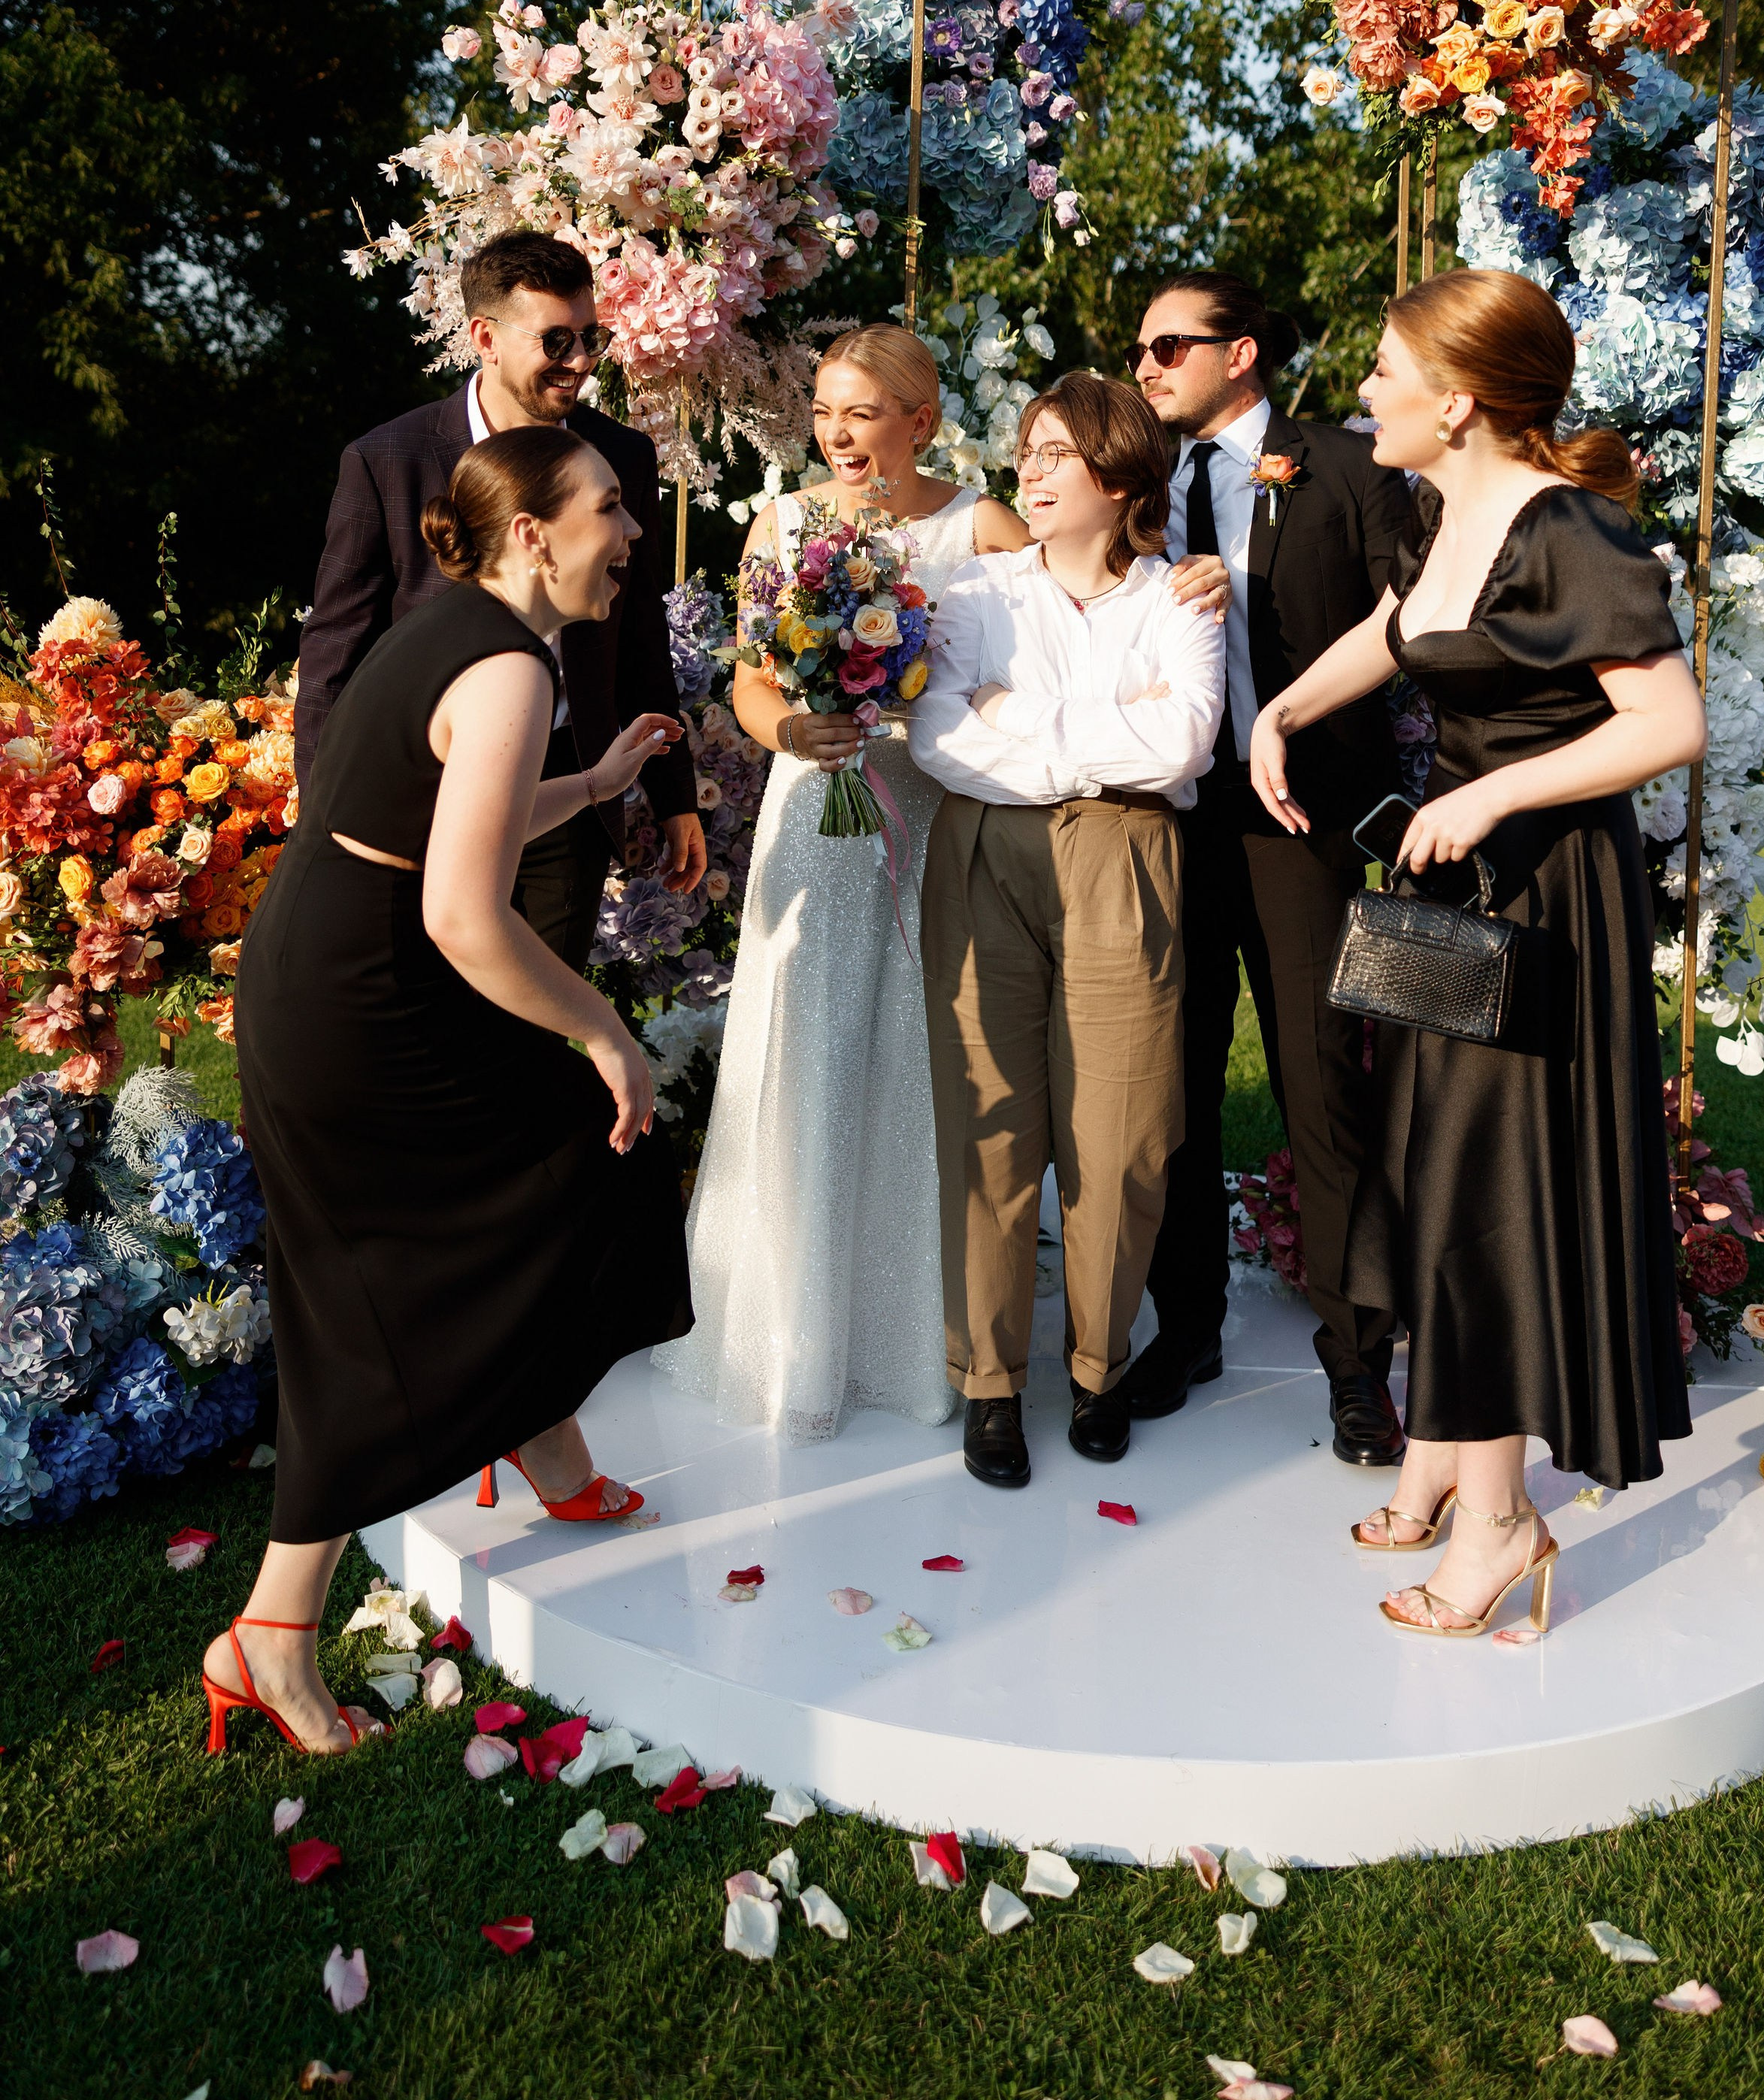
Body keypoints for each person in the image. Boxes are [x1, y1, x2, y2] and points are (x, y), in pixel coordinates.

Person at [210, 428, 692, 1754]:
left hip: (334, 967)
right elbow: (466, 916)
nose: (631, 533)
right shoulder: (504, 665)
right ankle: (271, 1631)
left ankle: (546, 1454)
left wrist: (590, 788)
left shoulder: (466, 633)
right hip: (363, 997)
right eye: (608, 509)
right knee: (393, 1280)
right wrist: (605, 1031)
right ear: (533, 533)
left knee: (554, 1179)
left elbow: (435, 820)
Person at [1248, 268, 1702, 1639]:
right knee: (1429, 1163)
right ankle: (1450, 1458)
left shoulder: (1569, 529)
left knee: (1489, 1187)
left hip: (1547, 898)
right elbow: (1395, 636)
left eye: (1385, 374)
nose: (1363, 397)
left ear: (1455, 402)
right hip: (1458, 896)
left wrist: (1495, 793)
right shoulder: (1445, 513)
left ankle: (1505, 1522)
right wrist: (1279, 714)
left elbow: (1668, 723)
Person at [654, 327, 1027, 1443]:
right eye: (825, 411)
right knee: (809, 1051)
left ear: (922, 418)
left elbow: (1030, 672)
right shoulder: (783, 524)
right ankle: (798, 1344)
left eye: (863, 411)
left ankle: (926, 1342)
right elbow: (755, 687)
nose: (838, 434)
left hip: (936, 815)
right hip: (818, 813)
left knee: (930, 1056)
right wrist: (797, 729)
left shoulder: (986, 527)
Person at [911, 372, 1225, 1488]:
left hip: (1126, 859)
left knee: (1124, 1132)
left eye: (1056, 455)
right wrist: (1093, 730)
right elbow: (936, 744)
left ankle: (1098, 1364)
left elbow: (1181, 745)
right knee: (991, 1127)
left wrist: (1019, 719)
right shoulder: (975, 594)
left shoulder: (1180, 599)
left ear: (1121, 475)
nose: (1029, 472)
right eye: (1026, 452)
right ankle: (989, 1385)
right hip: (986, 855)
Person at [1124, 272, 1416, 1467]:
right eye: (1139, 349)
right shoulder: (1137, 482)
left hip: (1301, 824)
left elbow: (1416, 609)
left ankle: (1359, 1362)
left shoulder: (1345, 468)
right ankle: (1185, 1327)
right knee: (1175, 1083)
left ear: (1241, 353)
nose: (1146, 366)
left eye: (1168, 345)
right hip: (1169, 823)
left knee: (1318, 1085)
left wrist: (1240, 595)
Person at [294, 228, 700, 967]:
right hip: (423, 788)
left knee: (535, 1034)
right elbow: (333, 658)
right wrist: (325, 821)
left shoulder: (624, 455)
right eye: (555, 340)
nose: (578, 362)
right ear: (485, 336)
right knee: (424, 1020)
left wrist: (676, 793)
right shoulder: (389, 460)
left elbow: (640, 635)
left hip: (569, 782)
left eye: (590, 337)